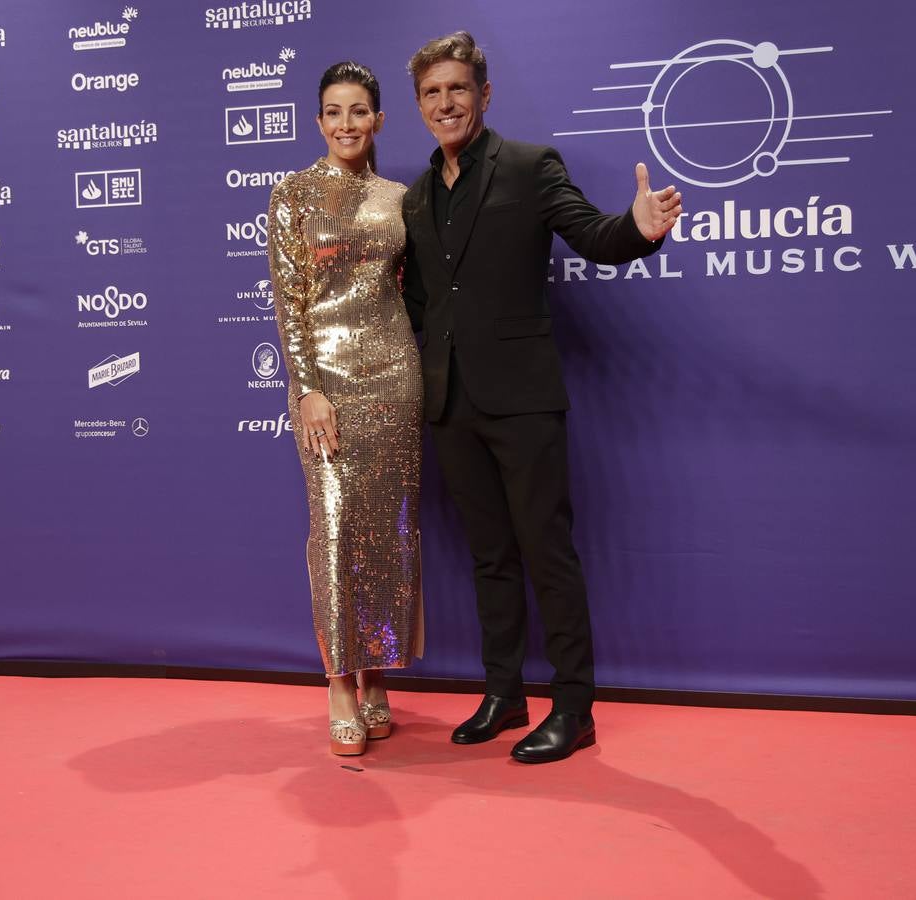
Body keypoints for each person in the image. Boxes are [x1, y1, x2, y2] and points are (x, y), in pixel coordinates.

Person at [401, 32, 682, 763]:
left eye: (457, 89)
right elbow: (425, 304)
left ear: (484, 96)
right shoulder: (418, 196)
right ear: (419, 106)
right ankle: (503, 693)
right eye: (431, 93)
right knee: (489, 558)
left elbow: (593, 234)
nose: (445, 103)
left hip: (523, 400)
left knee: (544, 551)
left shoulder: (529, 167)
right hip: (452, 404)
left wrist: (640, 229)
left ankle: (574, 706)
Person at [267, 61, 424, 757]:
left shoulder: (401, 198)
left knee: (387, 532)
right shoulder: (292, 194)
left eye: (358, 110)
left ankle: (378, 667)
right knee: (334, 531)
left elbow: (415, 291)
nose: (346, 123)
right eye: (333, 111)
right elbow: (289, 301)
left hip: (394, 375)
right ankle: (339, 683)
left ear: (379, 120)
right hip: (325, 381)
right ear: (318, 120)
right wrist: (308, 389)